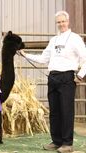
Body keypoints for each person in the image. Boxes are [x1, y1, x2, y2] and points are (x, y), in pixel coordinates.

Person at [20, 11, 86, 153]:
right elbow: (44, 58)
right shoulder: (53, 40)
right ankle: (56, 141)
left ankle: (67, 144)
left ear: (68, 22)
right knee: (54, 111)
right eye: (58, 22)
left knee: (66, 111)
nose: (61, 24)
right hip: (53, 77)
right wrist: (26, 55)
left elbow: (85, 58)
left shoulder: (75, 39)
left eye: (63, 21)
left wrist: (80, 76)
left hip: (67, 78)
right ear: (56, 24)